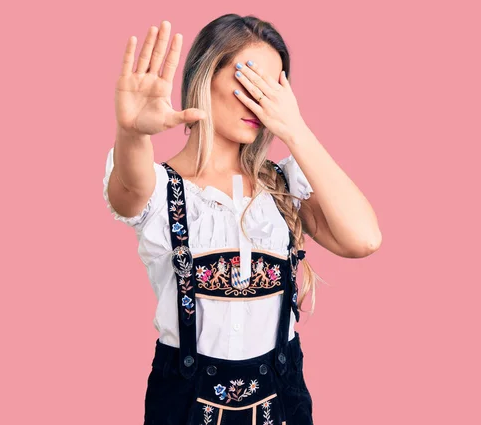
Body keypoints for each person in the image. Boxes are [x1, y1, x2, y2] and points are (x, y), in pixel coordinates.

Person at [103, 14, 381, 425]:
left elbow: (364, 239)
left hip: (282, 405)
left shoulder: (285, 186)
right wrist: (131, 133)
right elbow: (127, 191)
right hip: (182, 406)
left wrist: (296, 129)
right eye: (249, 80)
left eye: (273, 89)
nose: (259, 101)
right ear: (203, 74)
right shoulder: (161, 189)